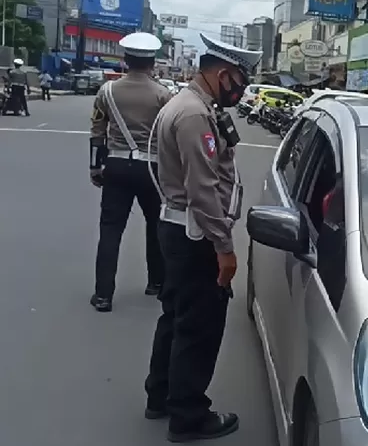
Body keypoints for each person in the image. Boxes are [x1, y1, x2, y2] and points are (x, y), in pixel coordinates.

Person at [143, 34, 260, 443]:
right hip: (196, 236)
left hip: (178, 229)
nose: (241, 92)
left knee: (175, 318)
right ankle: (189, 415)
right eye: (240, 83)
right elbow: (203, 190)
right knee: (199, 327)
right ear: (223, 74)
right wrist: (224, 248)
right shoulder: (194, 115)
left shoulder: (191, 105)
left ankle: (160, 395)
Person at [89, 32, 172, 313]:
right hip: (152, 169)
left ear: (125, 60)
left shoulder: (107, 91)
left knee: (111, 230)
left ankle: (103, 295)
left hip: (116, 165)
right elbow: (170, 136)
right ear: (152, 63)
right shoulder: (164, 95)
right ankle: (157, 283)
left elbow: (97, 132)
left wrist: (94, 166)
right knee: (155, 226)